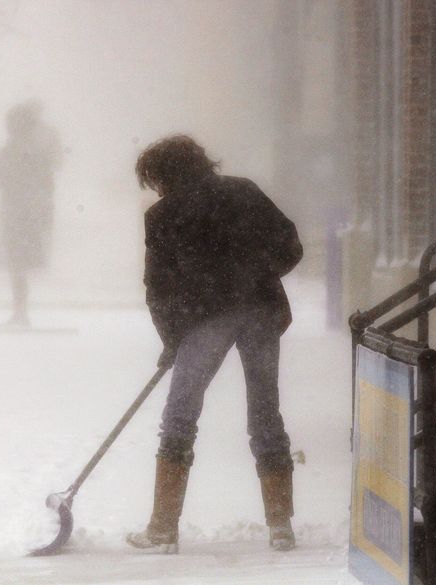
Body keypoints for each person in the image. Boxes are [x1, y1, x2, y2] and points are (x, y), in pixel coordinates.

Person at [125, 135, 303, 553]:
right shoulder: (243, 192)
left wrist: (173, 337)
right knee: (265, 413)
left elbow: (158, 287)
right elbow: (290, 245)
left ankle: (163, 527)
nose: (154, 189)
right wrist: (259, 276)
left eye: (154, 180)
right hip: (260, 311)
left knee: (180, 417)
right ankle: (281, 527)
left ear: (164, 175)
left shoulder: (163, 215)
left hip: (205, 321)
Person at [0, 101, 62, 327]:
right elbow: (47, 187)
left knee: (16, 265)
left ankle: (20, 313)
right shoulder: (36, 155)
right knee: (18, 265)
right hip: (26, 216)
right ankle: (20, 312)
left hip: (15, 215)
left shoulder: (9, 152)